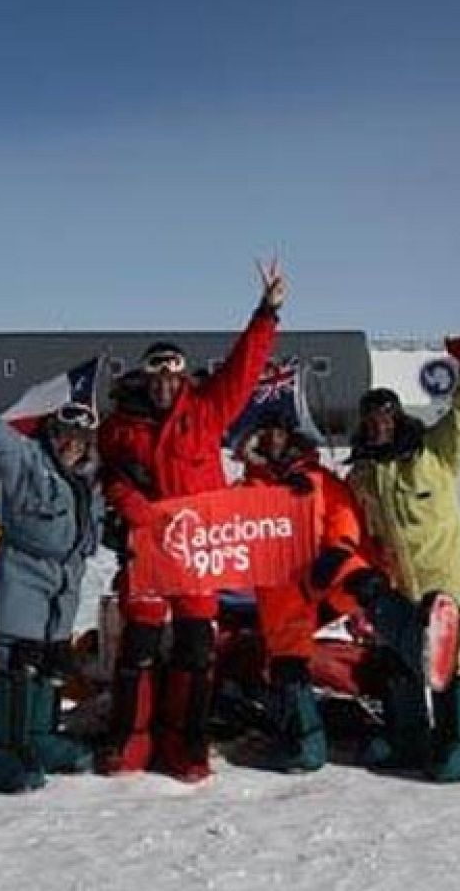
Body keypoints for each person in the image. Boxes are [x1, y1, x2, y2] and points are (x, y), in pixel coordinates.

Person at [97, 259, 287, 782]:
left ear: (182, 376)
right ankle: (129, 745)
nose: (165, 381)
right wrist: (136, 511)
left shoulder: (206, 410)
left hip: (198, 555)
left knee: (195, 652)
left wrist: (266, 313)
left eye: (173, 371)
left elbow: (244, 368)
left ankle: (185, 747)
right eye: (157, 371)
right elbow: (110, 476)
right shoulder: (121, 425)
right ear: (146, 375)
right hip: (149, 553)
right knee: (137, 649)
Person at [344, 335, 460, 783]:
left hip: (443, 580)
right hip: (396, 586)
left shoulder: (434, 453)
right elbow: (358, 532)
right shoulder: (362, 474)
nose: (379, 425)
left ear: (398, 416)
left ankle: (458, 748)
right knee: (400, 664)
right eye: (371, 419)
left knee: (449, 661)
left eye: (386, 416)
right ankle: (407, 741)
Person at [0, 366, 103, 793]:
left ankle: (41, 740)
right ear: (51, 434)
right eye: (63, 435)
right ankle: (3, 759)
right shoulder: (29, 464)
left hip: (63, 587)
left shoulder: (88, 482)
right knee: (18, 665)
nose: (70, 445)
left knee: (51, 664)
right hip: (23, 579)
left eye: (80, 439)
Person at [234, 409, 375, 772]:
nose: (272, 439)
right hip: (280, 585)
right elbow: (224, 527)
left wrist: (338, 549)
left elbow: (343, 516)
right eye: (264, 433)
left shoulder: (317, 477)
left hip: (323, 576)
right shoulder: (249, 486)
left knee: (361, 588)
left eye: (278, 431)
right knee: (287, 659)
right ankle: (305, 742)